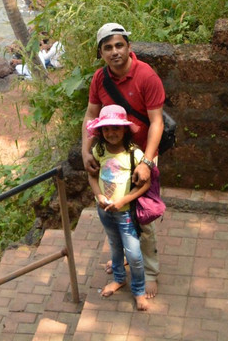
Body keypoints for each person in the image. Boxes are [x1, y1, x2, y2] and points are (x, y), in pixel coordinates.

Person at [82, 22, 165, 297]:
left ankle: (150, 272)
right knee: (118, 212)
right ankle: (128, 257)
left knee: (143, 217)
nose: (114, 51)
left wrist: (147, 162)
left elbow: (156, 122)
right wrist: (86, 151)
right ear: (101, 53)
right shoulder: (100, 79)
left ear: (129, 47)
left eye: (119, 45)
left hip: (142, 155)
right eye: (108, 47)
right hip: (113, 156)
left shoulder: (146, 76)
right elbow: (91, 114)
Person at [86, 104, 151, 311]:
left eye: (115, 128)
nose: (111, 133)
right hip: (105, 211)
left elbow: (146, 184)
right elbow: (92, 176)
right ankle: (119, 278)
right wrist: (98, 195)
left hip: (126, 214)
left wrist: (124, 201)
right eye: (106, 129)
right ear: (100, 131)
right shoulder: (99, 150)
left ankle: (139, 290)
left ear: (124, 130)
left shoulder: (135, 154)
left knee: (134, 255)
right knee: (114, 245)